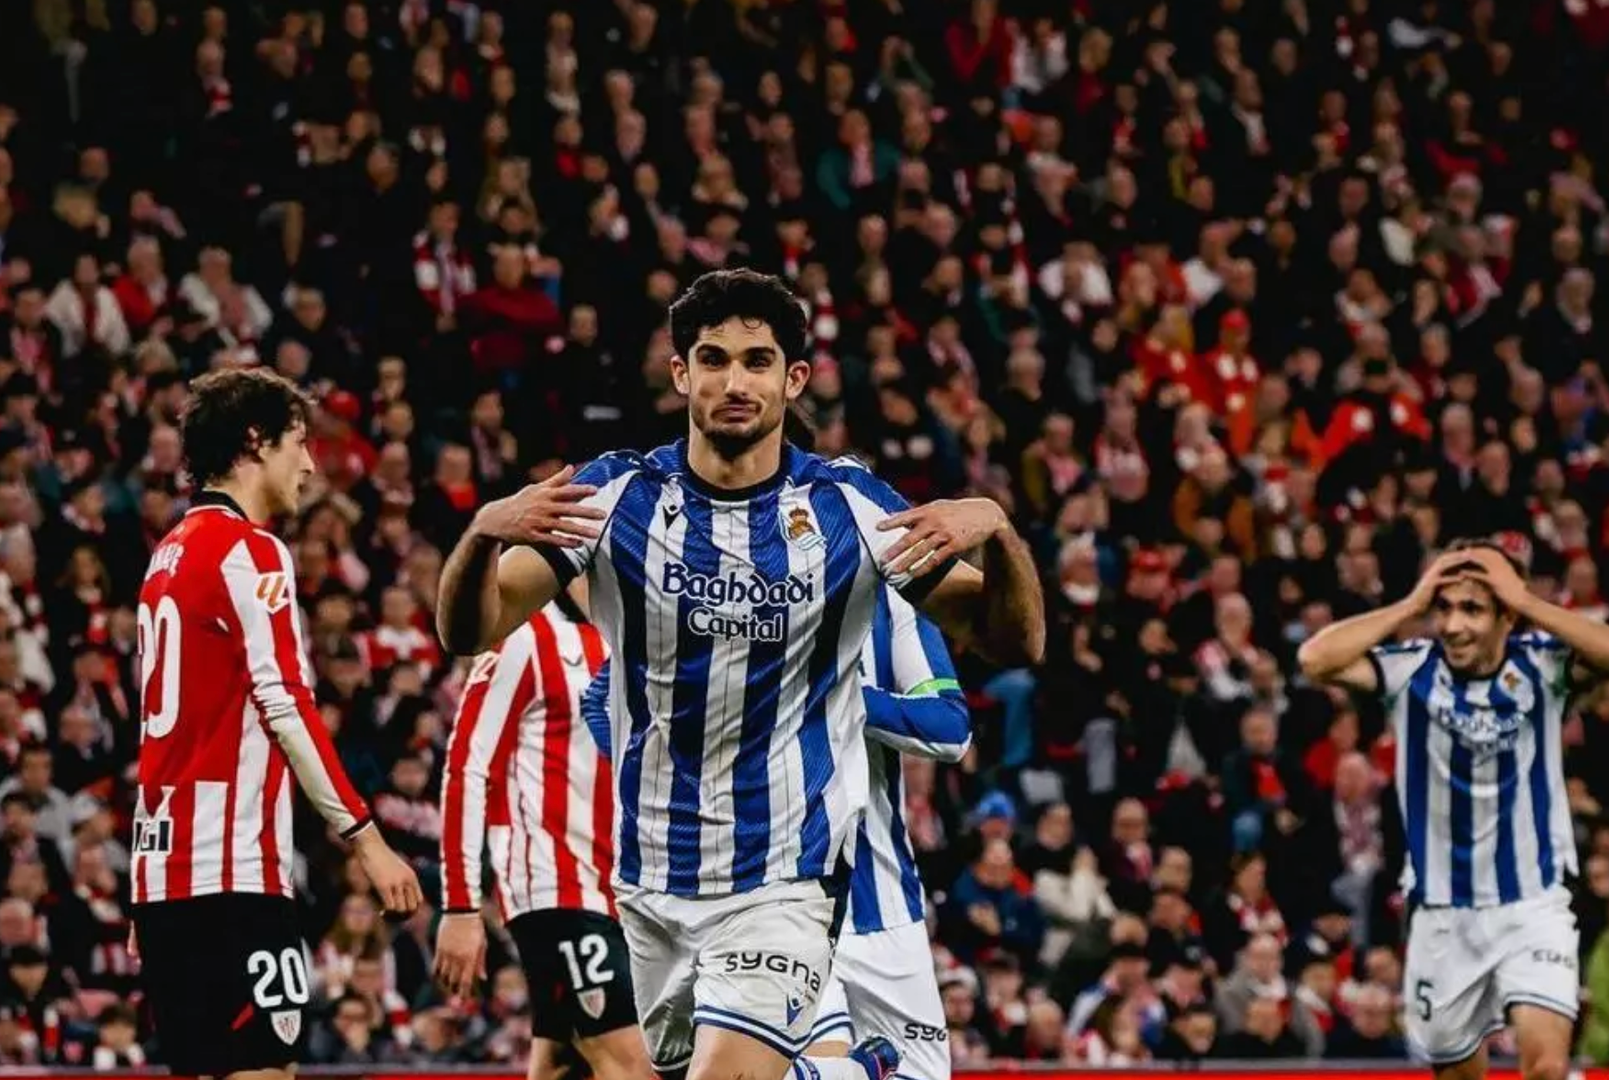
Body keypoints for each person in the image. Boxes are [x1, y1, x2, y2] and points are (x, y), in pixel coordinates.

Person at [436, 268, 1045, 1080]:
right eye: (713, 359)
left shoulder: (851, 508)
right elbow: (468, 630)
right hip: (649, 884)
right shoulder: (613, 496)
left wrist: (999, 532)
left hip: (784, 884)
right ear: (680, 372)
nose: (734, 382)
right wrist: (482, 535)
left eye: (757, 362)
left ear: (793, 380)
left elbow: (1014, 644)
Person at [129, 367, 423, 1080]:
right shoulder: (250, 550)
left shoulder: (166, 556)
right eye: (299, 443)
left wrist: (150, 888)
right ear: (256, 442)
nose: (310, 464)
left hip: (165, 876)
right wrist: (366, 840)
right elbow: (286, 705)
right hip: (232, 874)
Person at [1297, 537, 1609, 1080]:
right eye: (1445, 608)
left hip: (1531, 905)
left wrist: (1525, 600)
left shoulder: (1542, 666)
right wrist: (1410, 605)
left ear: (1506, 615)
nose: (1453, 625)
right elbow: (1314, 658)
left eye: (1473, 609)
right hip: (1443, 917)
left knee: (1546, 1068)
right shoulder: (1411, 668)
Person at [432, 576, 651, 1080]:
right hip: (555, 884)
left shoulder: (635, 637)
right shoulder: (524, 637)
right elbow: (467, 765)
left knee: (560, 1063)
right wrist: (461, 906)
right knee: (632, 1063)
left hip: (623, 889)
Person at [805, 586, 971, 1080]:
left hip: (885, 903)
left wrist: (838, 694)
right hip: (784, 902)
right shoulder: (737, 597)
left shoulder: (891, 600)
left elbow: (950, 728)